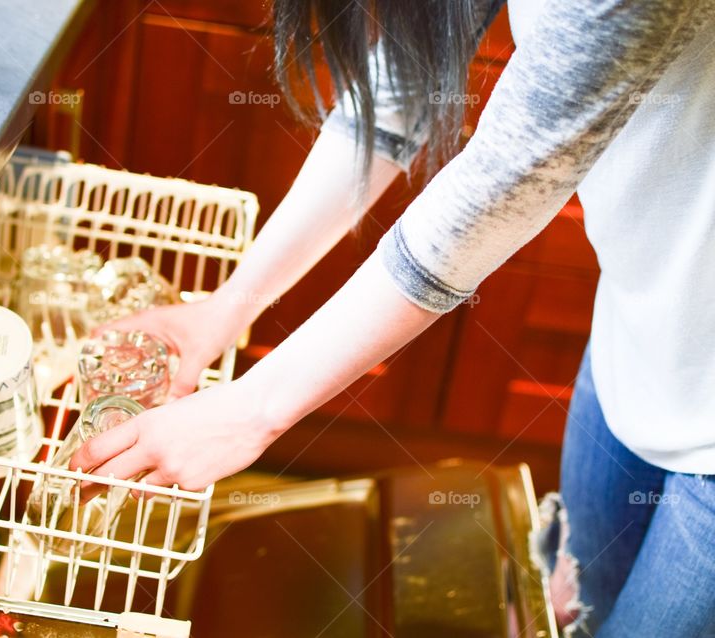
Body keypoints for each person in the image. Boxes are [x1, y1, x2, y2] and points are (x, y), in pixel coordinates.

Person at [72, 1, 715, 635]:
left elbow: (511, 178)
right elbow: (399, 92)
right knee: (589, 596)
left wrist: (252, 410)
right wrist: (225, 307)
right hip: (642, 323)